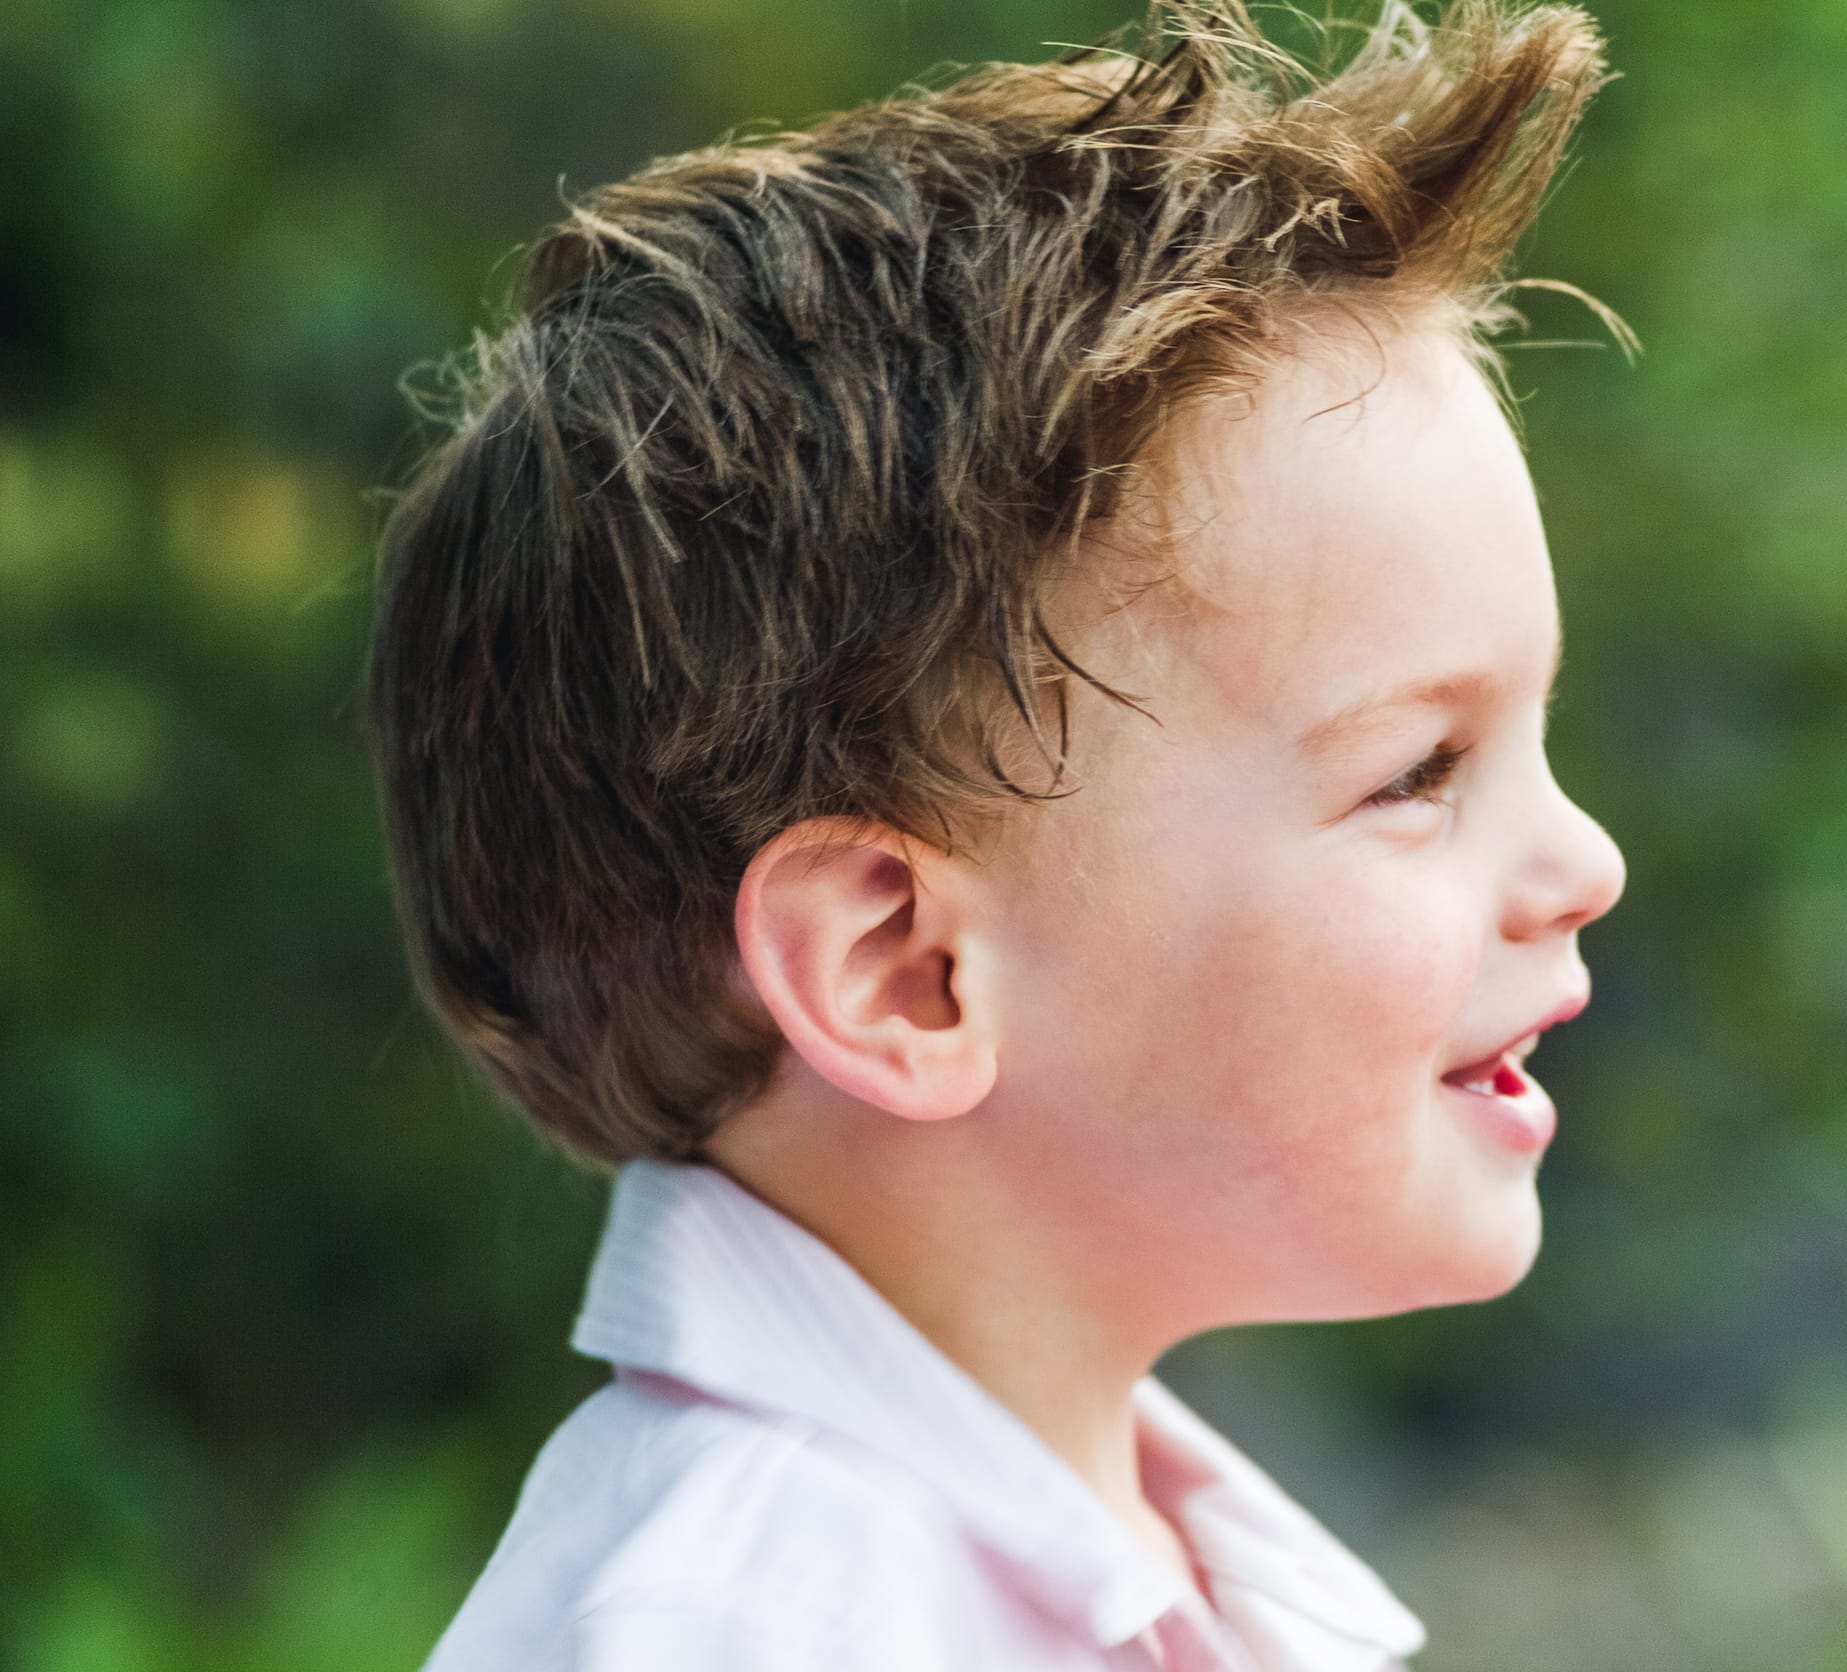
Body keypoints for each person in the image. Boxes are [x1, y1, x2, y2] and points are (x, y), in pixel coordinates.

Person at [370, 2, 1626, 1665]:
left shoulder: (1174, 1580)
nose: (1585, 863)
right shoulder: (753, 1621)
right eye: (1416, 773)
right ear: (903, 968)